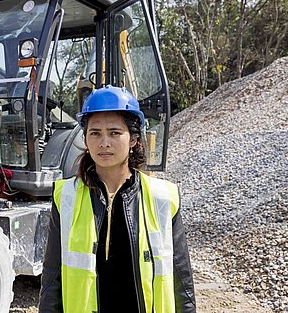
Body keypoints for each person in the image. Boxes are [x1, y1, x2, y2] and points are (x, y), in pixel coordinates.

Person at [39, 86, 196, 313]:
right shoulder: (66, 196)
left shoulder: (162, 197)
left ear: (133, 139)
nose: (104, 142)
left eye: (114, 133)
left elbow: (181, 278)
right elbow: (52, 278)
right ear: (85, 138)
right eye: (95, 133)